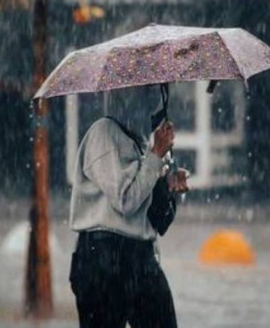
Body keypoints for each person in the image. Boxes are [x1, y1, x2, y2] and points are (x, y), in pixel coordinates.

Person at [69, 85, 188, 328]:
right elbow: (126, 201)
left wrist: (169, 187)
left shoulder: (141, 141)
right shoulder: (103, 134)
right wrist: (154, 155)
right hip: (103, 257)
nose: (149, 101)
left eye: (154, 93)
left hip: (141, 257)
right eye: (142, 92)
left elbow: (158, 221)